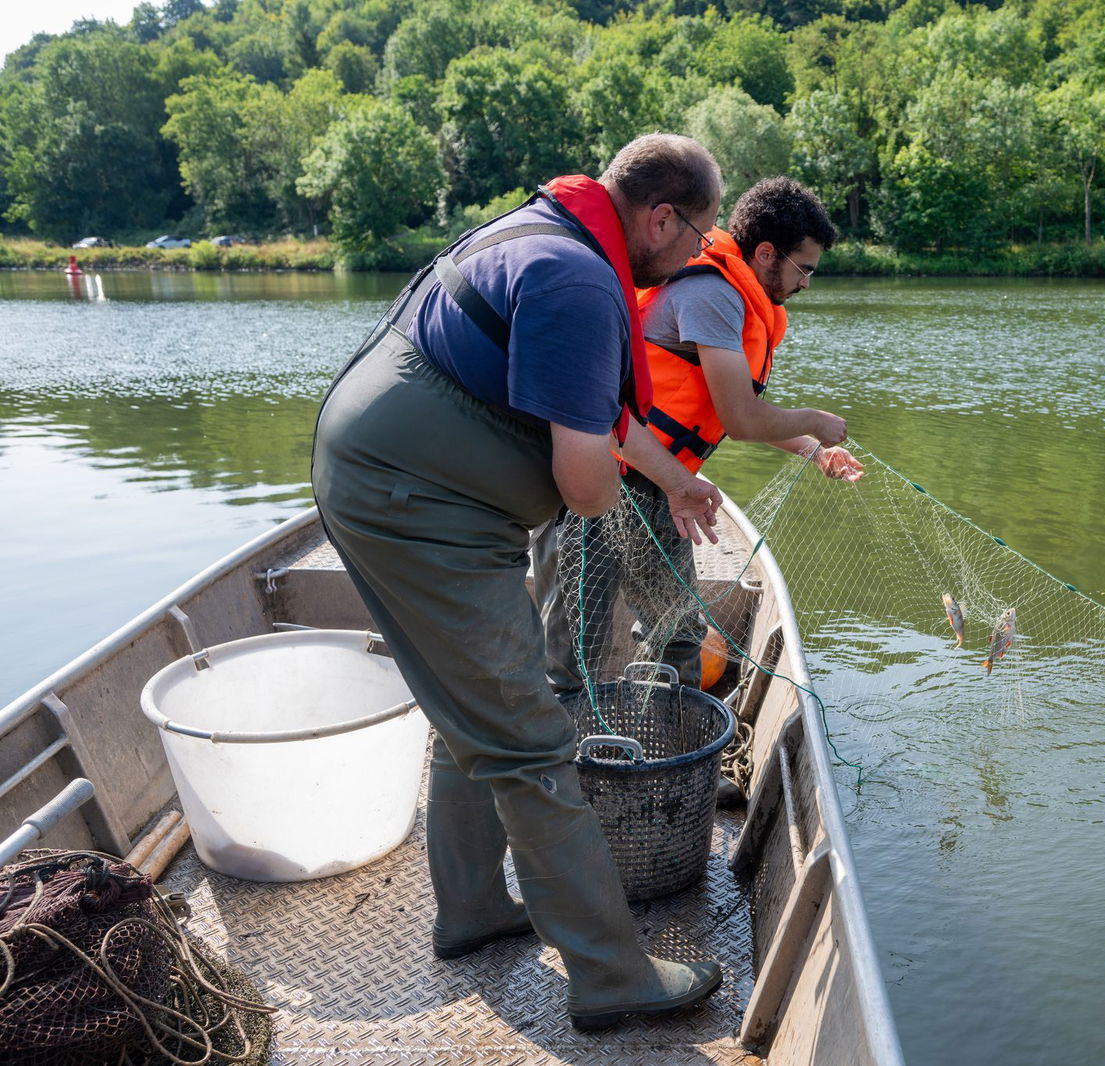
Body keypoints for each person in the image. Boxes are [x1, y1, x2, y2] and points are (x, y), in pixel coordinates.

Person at [310, 133, 726, 1030]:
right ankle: (613, 977)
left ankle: (473, 912)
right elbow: (584, 483)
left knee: (477, 715)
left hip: (395, 483)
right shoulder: (579, 282)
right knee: (532, 739)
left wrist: (676, 476)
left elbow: (600, 416)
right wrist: (627, 492)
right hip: (420, 507)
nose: (699, 256)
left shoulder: (551, 238)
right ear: (660, 218)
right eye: (698, 237)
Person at [541, 176, 861, 704]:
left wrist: (815, 450)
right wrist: (815, 421)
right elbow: (742, 418)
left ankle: (667, 742)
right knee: (577, 645)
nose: (806, 283)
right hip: (597, 474)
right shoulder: (711, 295)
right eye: (804, 268)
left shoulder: (739, 299)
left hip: (661, 485)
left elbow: (712, 410)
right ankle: (565, 761)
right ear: (764, 253)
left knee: (679, 632)